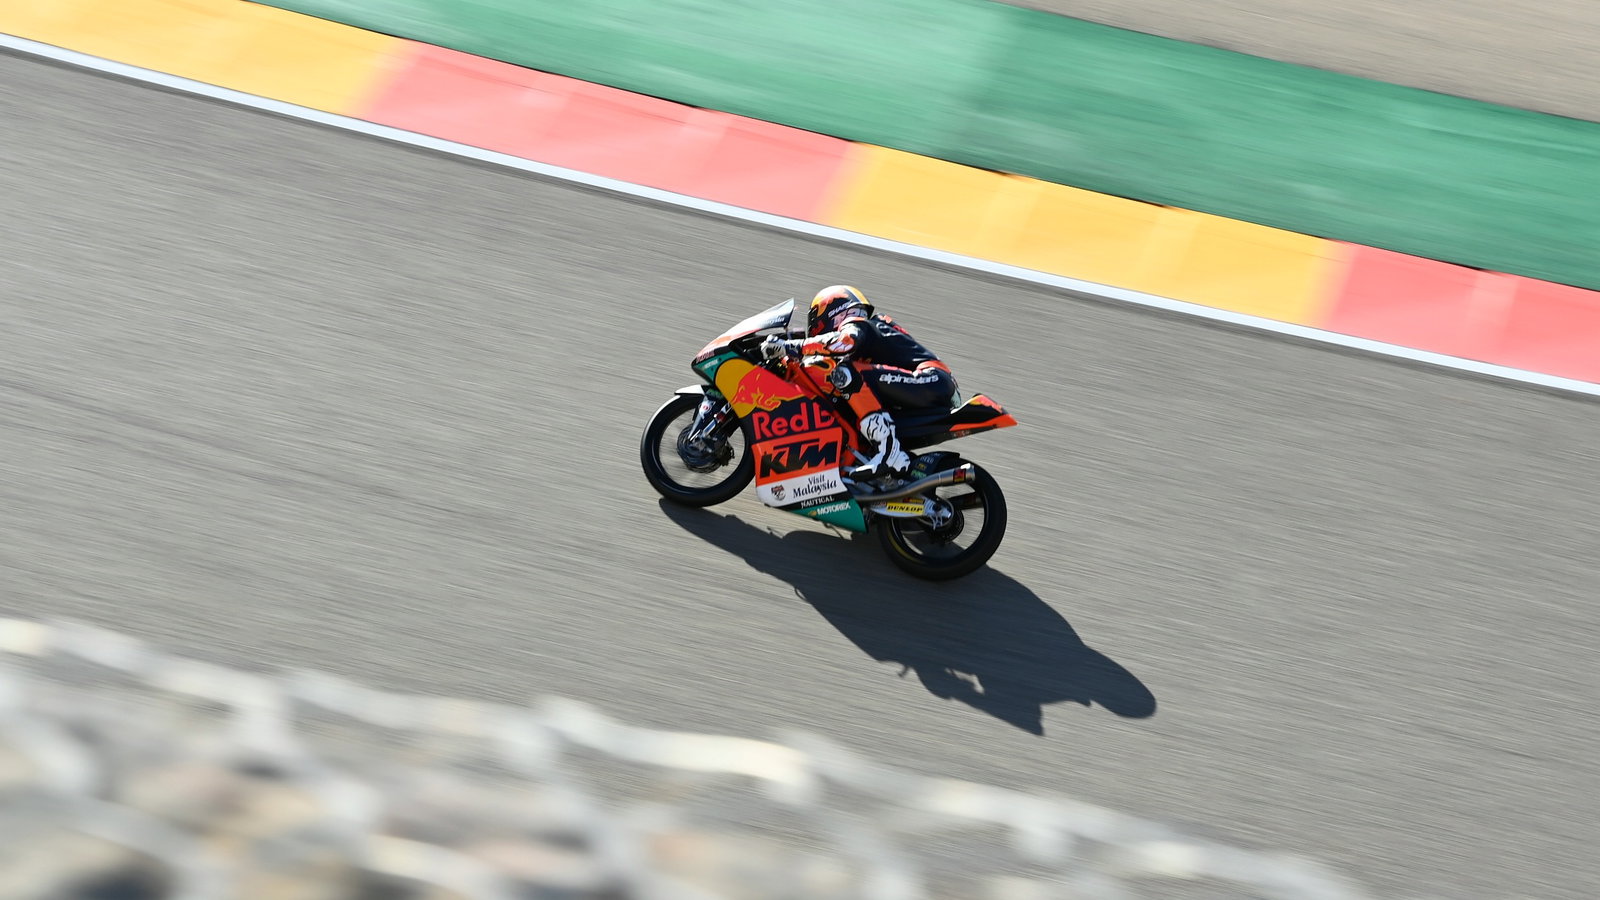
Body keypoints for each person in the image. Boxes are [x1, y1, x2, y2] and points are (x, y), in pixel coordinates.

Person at [763, 285, 958, 481]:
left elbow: (844, 342)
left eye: (816, 323)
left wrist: (791, 346)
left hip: (931, 378)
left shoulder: (857, 324)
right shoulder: (867, 335)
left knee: (844, 373)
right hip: (923, 386)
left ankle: (889, 452)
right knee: (849, 393)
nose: (814, 330)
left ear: (832, 314)